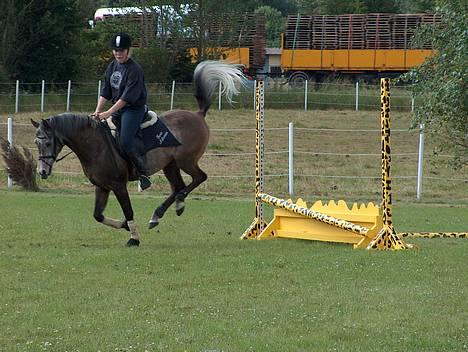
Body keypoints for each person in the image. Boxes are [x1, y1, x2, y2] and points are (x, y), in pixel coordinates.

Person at [93, 32, 152, 190]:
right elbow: (106, 91)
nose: (118, 53)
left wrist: (108, 113)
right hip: (119, 109)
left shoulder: (135, 70)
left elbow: (126, 98)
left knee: (125, 140)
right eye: (116, 50)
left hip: (133, 109)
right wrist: (98, 110)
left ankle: (143, 173)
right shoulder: (112, 66)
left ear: (128, 50)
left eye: (122, 50)